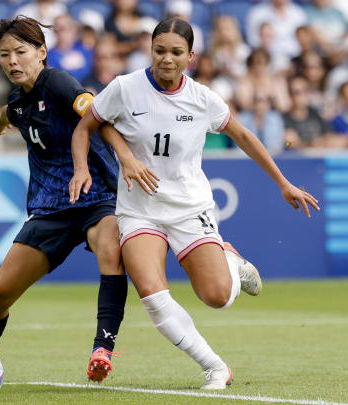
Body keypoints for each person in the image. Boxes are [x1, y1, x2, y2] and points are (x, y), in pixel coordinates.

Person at [70, 17, 320, 389]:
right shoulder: (124, 88)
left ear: (191, 57)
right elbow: (84, 127)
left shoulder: (203, 99)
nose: (166, 59)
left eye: (175, 52)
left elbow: (245, 136)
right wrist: (80, 169)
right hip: (139, 211)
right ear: (149, 50)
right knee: (153, 296)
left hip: (190, 209)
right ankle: (215, 367)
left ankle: (231, 262)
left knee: (217, 297)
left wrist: (283, 183)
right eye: (159, 51)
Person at [0, 16, 127, 384]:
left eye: (21, 52)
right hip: (51, 208)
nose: (12, 61)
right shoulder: (16, 101)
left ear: (42, 52)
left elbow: (96, 115)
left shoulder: (57, 81)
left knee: (110, 249)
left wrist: (127, 160)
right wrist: (1, 120)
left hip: (97, 196)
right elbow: (12, 112)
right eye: (4, 55)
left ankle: (102, 348)